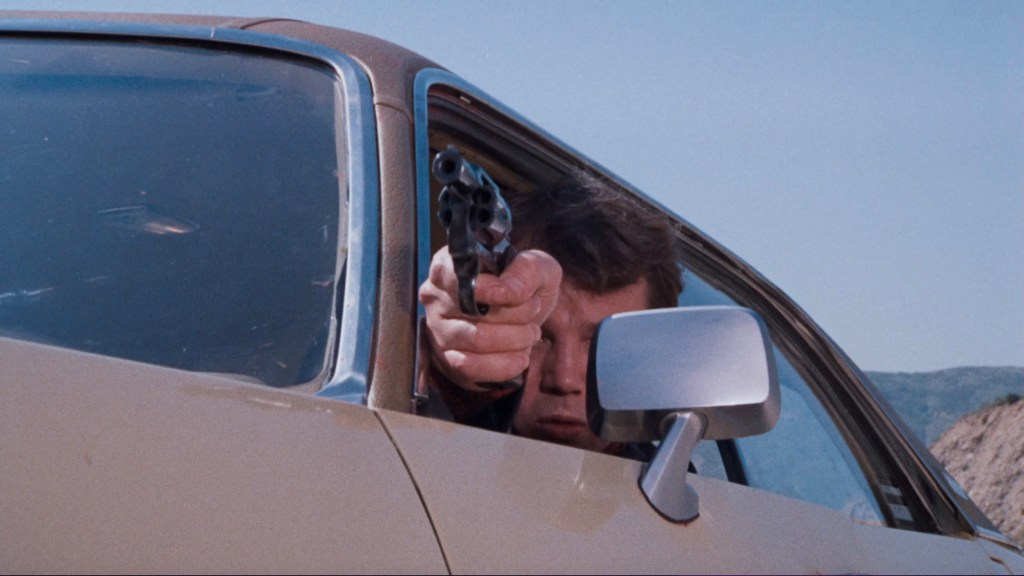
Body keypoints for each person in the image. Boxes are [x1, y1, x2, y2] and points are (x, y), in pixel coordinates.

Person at [418, 170, 683, 460]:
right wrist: (447, 369)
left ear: (654, 360)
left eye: (604, 345)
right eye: (537, 335)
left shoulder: (675, 480)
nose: (563, 380)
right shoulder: (425, 436)